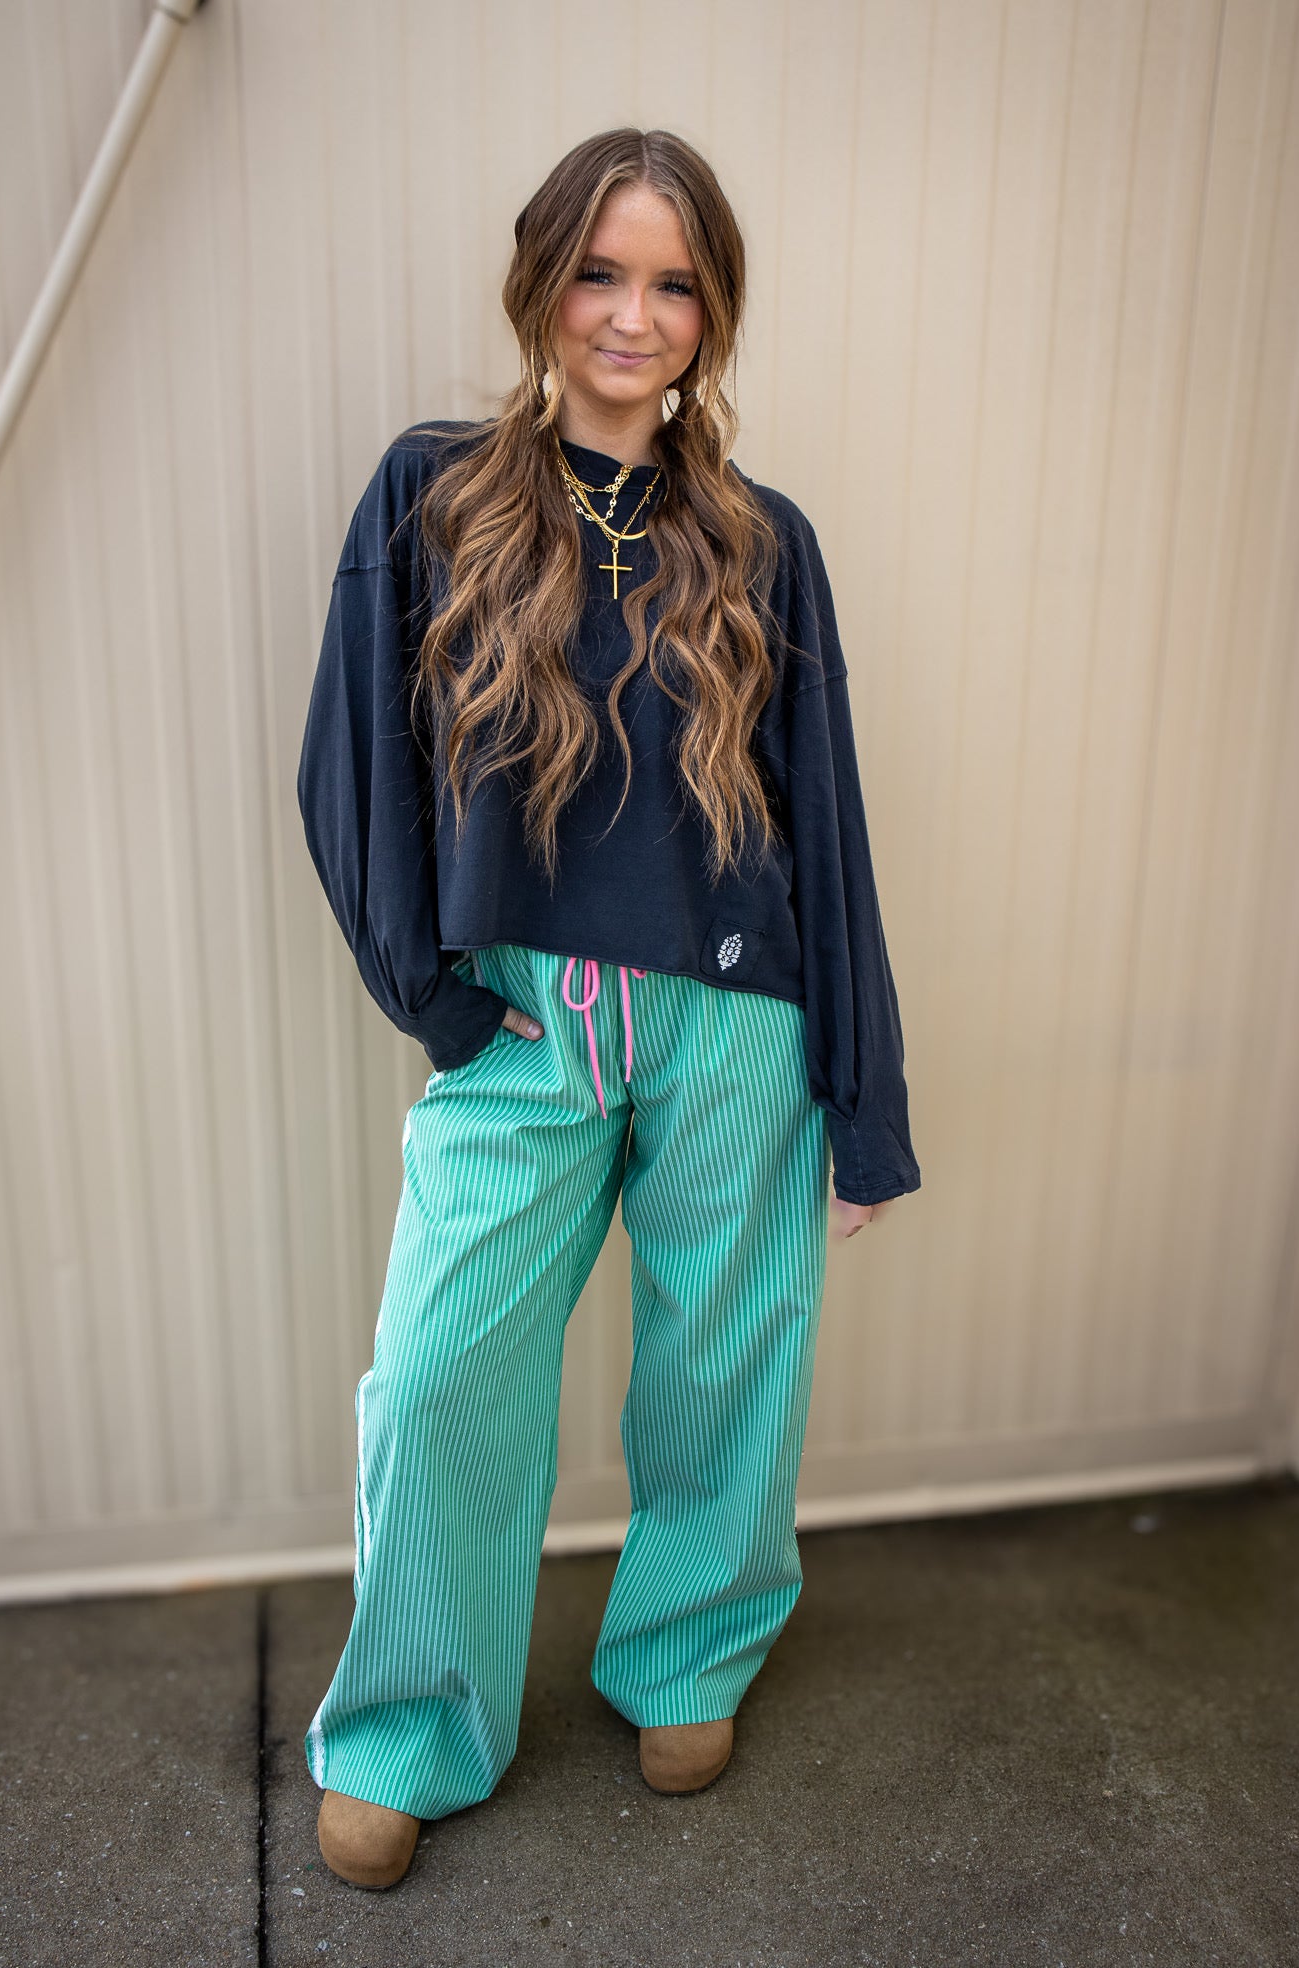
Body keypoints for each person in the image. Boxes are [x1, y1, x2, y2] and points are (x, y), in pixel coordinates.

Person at [294, 127, 921, 1891]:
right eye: (598, 272)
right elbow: (350, 774)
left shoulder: (759, 541)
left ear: (710, 310)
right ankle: (413, 1725)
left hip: (739, 1028)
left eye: (670, 282)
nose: (629, 315)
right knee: (438, 1383)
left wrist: (858, 1100)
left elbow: (829, 827)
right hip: (520, 1025)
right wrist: (435, 1003)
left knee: (727, 1367)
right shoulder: (433, 496)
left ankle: (683, 1655)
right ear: (540, 283)